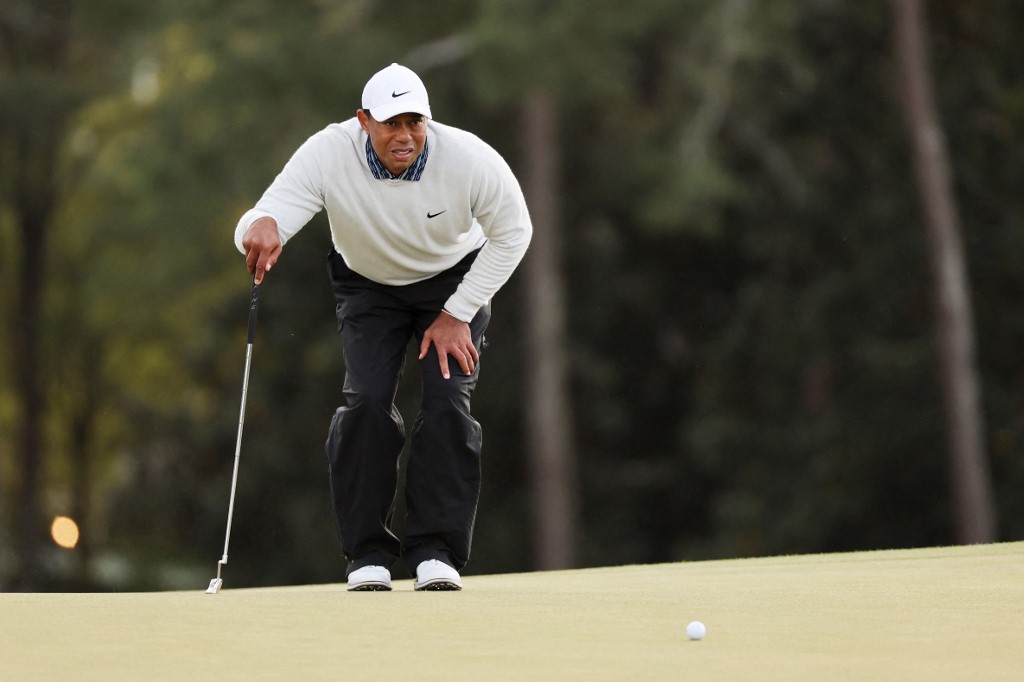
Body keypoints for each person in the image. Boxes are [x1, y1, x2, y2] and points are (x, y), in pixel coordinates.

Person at [234, 63, 532, 591]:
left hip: (453, 284)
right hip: (368, 286)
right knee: (367, 401)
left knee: (447, 401)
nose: (405, 135)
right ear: (363, 120)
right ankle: (367, 554)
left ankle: (436, 552)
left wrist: (458, 312)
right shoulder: (329, 152)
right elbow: (267, 214)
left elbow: (514, 232)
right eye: (391, 122)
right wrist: (258, 228)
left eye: (415, 122)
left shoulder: (469, 159)